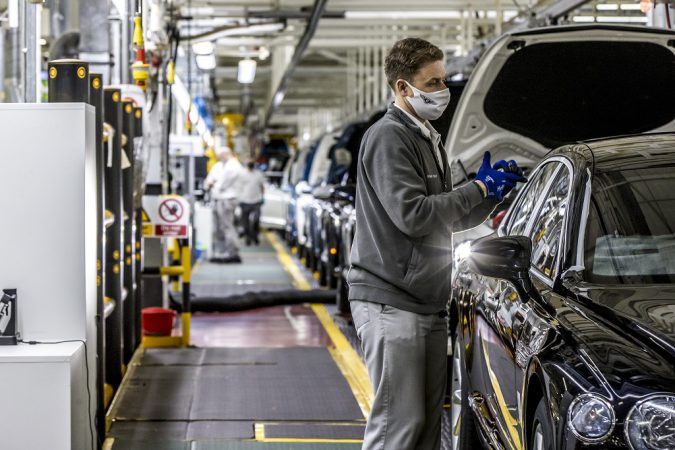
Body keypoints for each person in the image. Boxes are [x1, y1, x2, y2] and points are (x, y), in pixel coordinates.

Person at [347, 37, 526, 450]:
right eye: (431, 83)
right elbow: (413, 215)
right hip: (391, 300)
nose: (442, 91)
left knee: (426, 426)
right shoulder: (389, 137)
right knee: (399, 424)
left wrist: (490, 195)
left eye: (443, 81)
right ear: (402, 88)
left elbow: (449, 219)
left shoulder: (428, 137)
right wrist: (478, 187)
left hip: (426, 301)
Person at [205, 145, 244, 263]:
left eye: (220, 155)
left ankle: (232, 252)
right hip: (217, 199)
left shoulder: (234, 166)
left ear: (226, 154)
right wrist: (211, 183)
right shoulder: (218, 165)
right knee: (218, 227)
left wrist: (213, 183)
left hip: (227, 199)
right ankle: (221, 252)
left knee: (226, 226)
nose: (219, 157)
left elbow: (222, 185)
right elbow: (208, 182)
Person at [238, 160, 266, 246]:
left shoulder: (258, 174)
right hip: (244, 201)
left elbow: (262, 186)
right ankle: (248, 238)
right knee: (245, 222)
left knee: (256, 220)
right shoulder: (242, 174)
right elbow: (238, 187)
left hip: (256, 200)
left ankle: (255, 235)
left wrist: (262, 197)